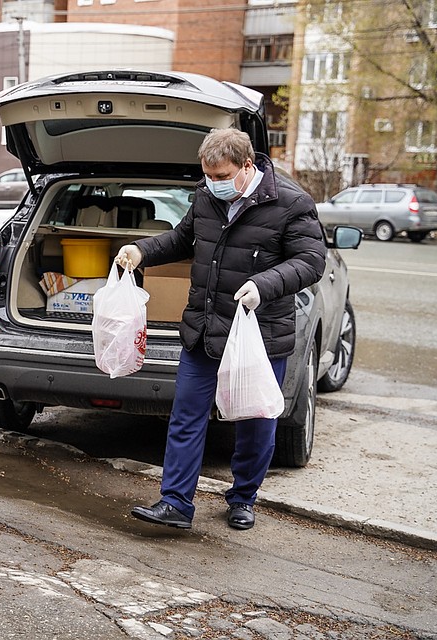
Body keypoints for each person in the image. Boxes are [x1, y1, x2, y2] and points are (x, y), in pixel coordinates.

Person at [116, 128, 325, 531]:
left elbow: (312, 262)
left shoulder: (291, 203)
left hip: (258, 337)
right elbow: (183, 239)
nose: (214, 184)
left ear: (248, 166)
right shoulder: (206, 196)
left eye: (221, 176)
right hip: (205, 329)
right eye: (207, 176)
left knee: (255, 424)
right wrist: (142, 250)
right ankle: (175, 502)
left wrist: (264, 285)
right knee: (186, 417)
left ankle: (243, 497)